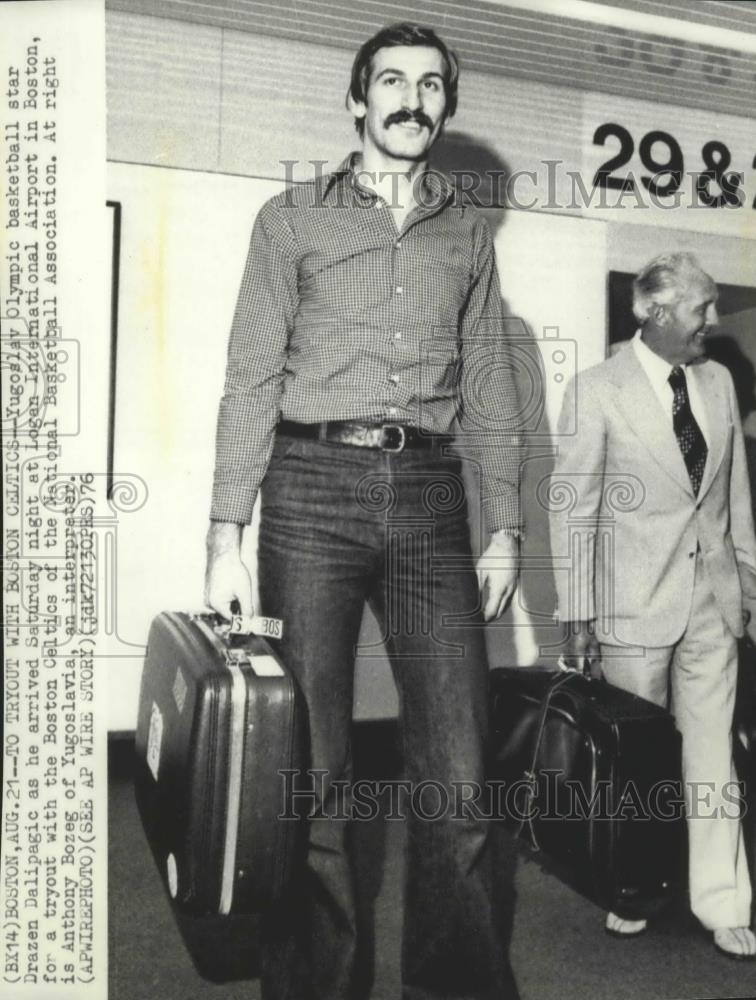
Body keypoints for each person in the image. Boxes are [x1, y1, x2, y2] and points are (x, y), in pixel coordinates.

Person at [204, 22, 523, 1000]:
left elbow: (493, 384)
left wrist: (504, 519)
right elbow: (251, 377)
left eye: (430, 85)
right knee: (314, 772)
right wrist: (226, 529)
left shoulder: (469, 232)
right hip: (310, 490)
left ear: (446, 108)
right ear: (358, 101)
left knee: (462, 775)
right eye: (392, 81)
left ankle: (456, 983)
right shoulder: (290, 219)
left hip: (430, 495)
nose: (411, 98)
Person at [549, 253, 756, 960]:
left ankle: (722, 901)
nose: (715, 322)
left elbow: (734, 504)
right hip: (632, 608)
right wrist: (576, 614)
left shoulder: (719, 382)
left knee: (713, 758)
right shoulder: (596, 389)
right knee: (636, 762)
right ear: (658, 312)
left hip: (712, 605)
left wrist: (748, 594)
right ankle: (631, 889)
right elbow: (571, 507)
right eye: (704, 308)